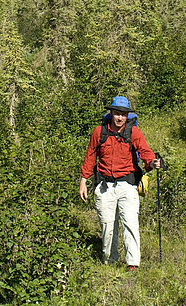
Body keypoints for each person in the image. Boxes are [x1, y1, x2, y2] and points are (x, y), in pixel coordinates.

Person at [79, 95, 160, 270]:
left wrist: (152, 162)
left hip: (127, 185)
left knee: (130, 224)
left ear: (127, 116)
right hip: (104, 186)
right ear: (111, 113)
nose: (120, 118)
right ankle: (110, 263)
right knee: (108, 227)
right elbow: (90, 157)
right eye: (117, 114)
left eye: (123, 114)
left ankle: (133, 264)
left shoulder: (133, 132)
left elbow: (144, 151)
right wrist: (83, 181)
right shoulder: (99, 132)